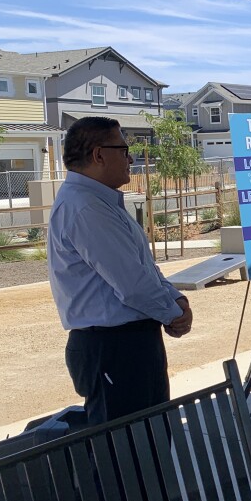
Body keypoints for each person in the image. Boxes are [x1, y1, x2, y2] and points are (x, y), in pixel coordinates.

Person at [47, 116, 193, 426]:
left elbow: (142, 267)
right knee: (129, 449)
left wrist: (175, 299)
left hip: (127, 343)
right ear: (99, 155)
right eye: (124, 150)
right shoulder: (86, 207)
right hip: (113, 347)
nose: (131, 160)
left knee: (150, 441)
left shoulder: (100, 202)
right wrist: (173, 313)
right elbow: (132, 284)